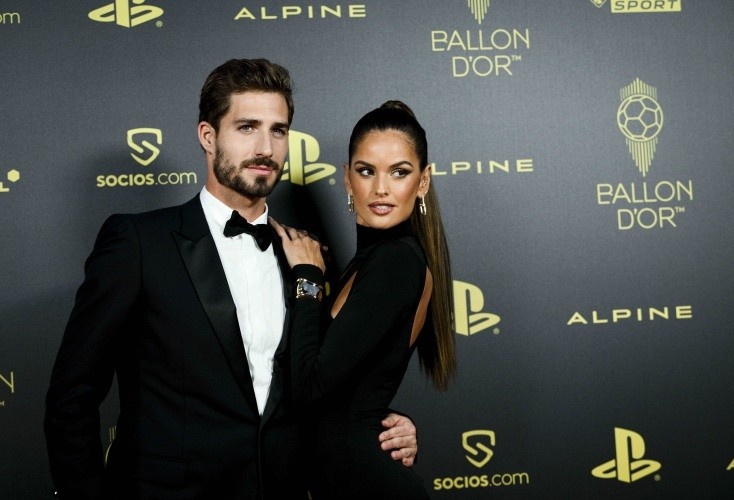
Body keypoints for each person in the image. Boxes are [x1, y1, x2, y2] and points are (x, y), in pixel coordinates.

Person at [44, 59, 418, 500]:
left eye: (278, 131)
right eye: (246, 128)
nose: (265, 148)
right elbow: (73, 395)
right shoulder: (140, 243)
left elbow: (323, 382)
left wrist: (386, 424)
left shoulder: (307, 258)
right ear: (208, 136)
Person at [270, 100, 457, 499]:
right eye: (366, 171)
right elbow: (352, 392)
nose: (381, 188)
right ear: (346, 178)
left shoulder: (395, 262)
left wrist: (307, 276)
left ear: (423, 182)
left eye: (399, 172)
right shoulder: (368, 262)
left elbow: (310, 388)